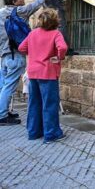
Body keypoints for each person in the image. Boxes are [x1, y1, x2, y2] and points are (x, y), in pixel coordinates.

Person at [0, 0, 52, 126]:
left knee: (4, 85)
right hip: (16, 55)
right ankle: (2, 116)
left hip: (4, 56)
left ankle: (3, 111)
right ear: (14, 1)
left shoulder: (1, 13)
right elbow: (37, 4)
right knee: (9, 86)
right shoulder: (20, 11)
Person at [18, 8, 68, 143]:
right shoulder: (55, 34)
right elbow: (62, 48)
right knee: (50, 104)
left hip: (33, 73)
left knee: (34, 103)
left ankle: (33, 132)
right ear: (55, 20)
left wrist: (34, 53)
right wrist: (58, 57)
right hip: (48, 73)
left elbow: (21, 48)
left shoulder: (33, 34)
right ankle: (51, 134)